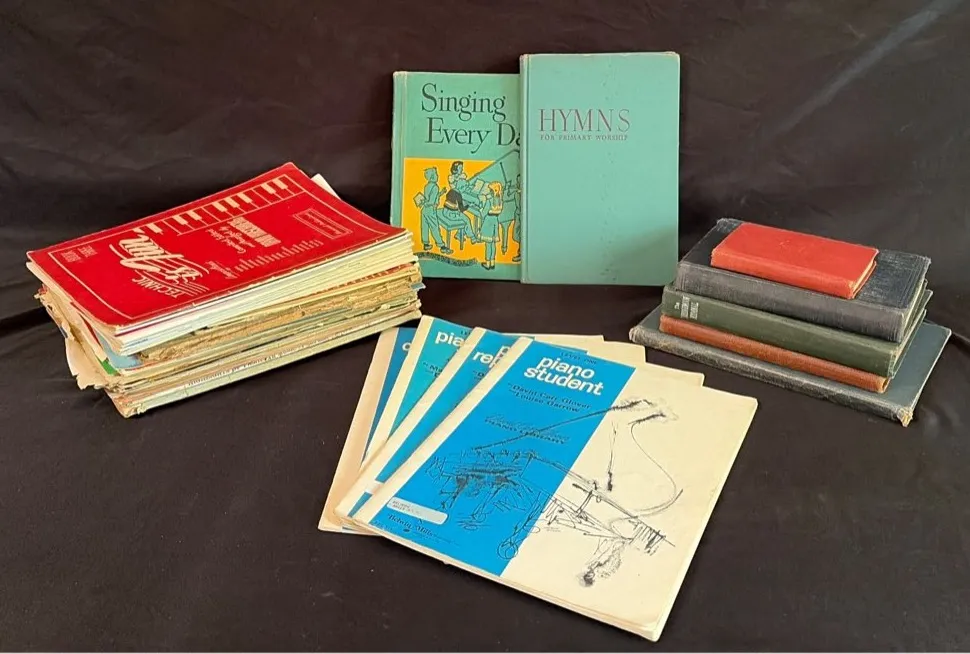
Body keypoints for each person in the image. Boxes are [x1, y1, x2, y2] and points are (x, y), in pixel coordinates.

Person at [419, 167, 449, 253]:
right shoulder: (435, 187)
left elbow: (432, 196)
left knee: (425, 227)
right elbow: (431, 201)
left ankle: (426, 244)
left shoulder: (427, 186)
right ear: (432, 177)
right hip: (430, 210)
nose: (438, 176)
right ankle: (442, 246)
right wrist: (426, 203)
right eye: (436, 174)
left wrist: (441, 193)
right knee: (434, 227)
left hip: (424, 210)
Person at [479, 184, 502, 270]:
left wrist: (481, 208)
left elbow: (483, 213)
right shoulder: (500, 201)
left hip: (488, 221)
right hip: (495, 221)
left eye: (490, 190)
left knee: (488, 244)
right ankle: (492, 263)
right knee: (493, 244)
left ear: (493, 191)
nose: (489, 191)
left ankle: (487, 264)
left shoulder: (489, 201)